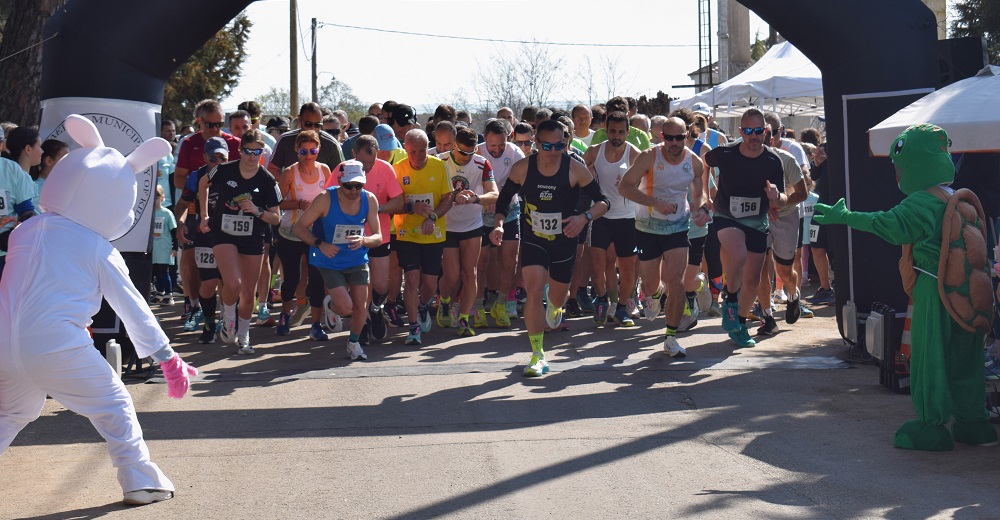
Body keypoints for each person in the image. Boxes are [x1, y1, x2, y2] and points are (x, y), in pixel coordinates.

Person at [0, 114, 195, 505]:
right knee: (115, 404)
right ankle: (140, 480)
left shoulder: (25, 230)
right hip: (57, 344)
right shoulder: (97, 247)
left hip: (5, 343)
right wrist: (166, 357)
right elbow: (132, 306)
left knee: (10, 414)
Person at [490, 119, 610, 377]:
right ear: (536, 144)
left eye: (559, 146)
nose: (554, 151)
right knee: (533, 291)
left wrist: (584, 218)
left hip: (565, 240)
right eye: (547, 146)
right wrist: (499, 223)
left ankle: (556, 306)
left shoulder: (575, 169)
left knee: (557, 298)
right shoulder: (523, 168)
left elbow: (603, 201)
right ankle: (537, 355)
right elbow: (505, 197)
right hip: (534, 238)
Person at [619, 117, 709, 357]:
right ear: (662, 137)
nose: (674, 143)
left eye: (679, 137)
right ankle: (655, 296)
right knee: (650, 285)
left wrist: (701, 210)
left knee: (676, 281)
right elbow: (625, 187)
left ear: (686, 135)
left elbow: (699, 195)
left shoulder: (694, 162)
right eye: (669, 138)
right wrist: (654, 203)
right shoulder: (649, 156)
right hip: (647, 227)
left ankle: (670, 337)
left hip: (678, 228)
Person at [703, 109, 789, 347]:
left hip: (756, 221)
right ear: (741, 132)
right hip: (726, 216)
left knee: (752, 281)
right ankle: (730, 299)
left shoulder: (773, 161)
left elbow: (781, 198)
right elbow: (704, 162)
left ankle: (739, 324)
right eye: (749, 131)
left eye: (759, 131)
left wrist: (776, 197)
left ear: (766, 132)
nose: (754, 136)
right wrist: (705, 194)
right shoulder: (726, 153)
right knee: (738, 253)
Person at [199, 129, 282, 355]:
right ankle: (228, 320)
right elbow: (203, 183)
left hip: (253, 236)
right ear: (240, 150)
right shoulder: (225, 170)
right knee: (232, 283)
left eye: (257, 151)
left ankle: (244, 336)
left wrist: (258, 211)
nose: (252, 156)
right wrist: (205, 214)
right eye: (248, 151)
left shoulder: (267, 180)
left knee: (248, 293)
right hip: (223, 232)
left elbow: (277, 217)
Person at [294, 160, 381, 360]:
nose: (353, 190)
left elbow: (378, 237)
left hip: (356, 258)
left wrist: (364, 240)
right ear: (340, 181)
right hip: (328, 260)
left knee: (361, 305)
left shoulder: (370, 200)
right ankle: (331, 306)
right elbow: (299, 227)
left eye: (358, 185)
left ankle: (354, 343)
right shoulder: (325, 199)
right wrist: (319, 244)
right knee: (346, 307)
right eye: (348, 185)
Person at [174, 99, 241, 325]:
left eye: (220, 124)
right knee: (192, 259)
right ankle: (193, 305)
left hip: (228, 212)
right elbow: (178, 179)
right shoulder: (189, 143)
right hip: (196, 206)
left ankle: (225, 313)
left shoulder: (234, 143)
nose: (217, 130)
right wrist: (201, 182)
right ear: (200, 122)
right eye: (211, 125)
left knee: (224, 268)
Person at [334, 135, 404, 344]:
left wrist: (378, 209)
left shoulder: (384, 169)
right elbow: (327, 197)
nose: (369, 168)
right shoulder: (342, 169)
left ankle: (376, 309)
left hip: (377, 235)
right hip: (350, 237)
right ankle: (361, 323)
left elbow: (400, 201)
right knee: (360, 287)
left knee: (382, 286)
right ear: (354, 155)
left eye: (372, 163)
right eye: (364, 164)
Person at [393, 129, 454, 345]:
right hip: (407, 234)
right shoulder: (398, 169)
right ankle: (413, 328)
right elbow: (393, 204)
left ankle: (422, 306)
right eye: (412, 152)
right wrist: (411, 207)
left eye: (421, 151)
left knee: (429, 284)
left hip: (433, 234)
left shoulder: (439, 166)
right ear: (405, 148)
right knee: (411, 279)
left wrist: (434, 216)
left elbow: (449, 198)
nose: (417, 157)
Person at [437, 127, 499, 337]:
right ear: (454, 145)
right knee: (452, 276)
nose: (466, 158)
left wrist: (475, 199)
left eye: (470, 153)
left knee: (469, 272)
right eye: (462, 153)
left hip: (472, 224)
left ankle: (464, 319)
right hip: (448, 225)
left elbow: (494, 193)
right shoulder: (440, 161)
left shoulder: (481, 163)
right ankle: (445, 300)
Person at [581, 111, 641, 327]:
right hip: (600, 216)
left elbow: (647, 181)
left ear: (628, 132)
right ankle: (602, 299)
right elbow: (576, 168)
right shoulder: (595, 151)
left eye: (621, 132)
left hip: (627, 218)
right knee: (597, 265)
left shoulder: (634, 154)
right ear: (606, 130)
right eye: (613, 131)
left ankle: (623, 308)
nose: (617, 136)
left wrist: (631, 184)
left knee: (627, 269)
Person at [274, 130, 332, 340]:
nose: (308, 155)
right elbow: (278, 202)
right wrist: (299, 204)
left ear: (318, 150)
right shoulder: (290, 172)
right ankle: (284, 314)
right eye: (304, 151)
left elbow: (332, 196)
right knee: (292, 277)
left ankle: (316, 324)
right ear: (297, 150)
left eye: (313, 150)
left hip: (316, 231)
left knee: (317, 278)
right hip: (291, 231)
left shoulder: (324, 170)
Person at [175, 136, 227, 344]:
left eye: (222, 158)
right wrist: (180, 224)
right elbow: (182, 204)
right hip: (205, 233)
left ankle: (226, 319)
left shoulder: (237, 173)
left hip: (230, 235)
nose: (218, 163)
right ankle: (208, 323)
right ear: (205, 157)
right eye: (213, 158)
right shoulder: (197, 177)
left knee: (228, 281)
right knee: (208, 283)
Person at [478, 119, 525, 327]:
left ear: (509, 138)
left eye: (501, 145)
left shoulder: (515, 153)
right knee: (481, 261)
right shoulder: (477, 152)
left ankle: (502, 302)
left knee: (510, 260)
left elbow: (523, 181)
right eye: (492, 146)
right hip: (481, 213)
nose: (496, 150)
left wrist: (503, 200)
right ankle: (478, 305)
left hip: (510, 211)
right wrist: (486, 198)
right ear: (484, 140)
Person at [268, 102, 344, 179]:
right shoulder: (285, 140)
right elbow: (272, 169)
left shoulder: (331, 144)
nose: (313, 128)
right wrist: (290, 184)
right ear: (300, 120)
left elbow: (340, 175)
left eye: (317, 125)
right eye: (308, 124)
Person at [151, 185, 177, 304]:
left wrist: (175, 247)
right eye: (153, 198)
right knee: (156, 272)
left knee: (164, 272)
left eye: (157, 198)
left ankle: (169, 295)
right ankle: (159, 292)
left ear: (162, 198)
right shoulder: (150, 214)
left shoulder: (167, 213)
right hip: (154, 248)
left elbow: (174, 231)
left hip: (164, 248)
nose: (155, 201)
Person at [29, 139, 69, 211]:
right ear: (49, 161)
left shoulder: (65, 186)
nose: (69, 165)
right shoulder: (34, 188)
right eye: (65, 160)